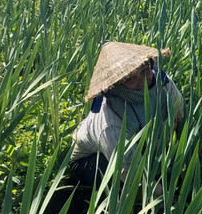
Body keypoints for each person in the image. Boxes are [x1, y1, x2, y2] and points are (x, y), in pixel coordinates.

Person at [70, 41, 185, 185]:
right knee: (115, 179)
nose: (142, 80)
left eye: (144, 70)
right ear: (116, 83)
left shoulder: (163, 83)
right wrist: (165, 199)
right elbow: (128, 171)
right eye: (130, 78)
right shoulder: (110, 119)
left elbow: (181, 117)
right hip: (93, 158)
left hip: (139, 145)